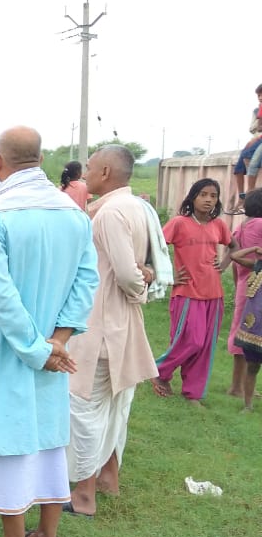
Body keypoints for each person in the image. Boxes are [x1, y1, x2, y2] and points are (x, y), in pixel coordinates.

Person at [0, 126, 97, 537]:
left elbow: (1, 296)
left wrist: (36, 349)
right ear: (40, 159)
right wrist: (59, 341)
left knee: (7, 439)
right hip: (55, 353)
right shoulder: (73, 215)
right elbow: (87, 281)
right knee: (48, 438)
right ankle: (46, 535)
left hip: (9, 350)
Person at [64, 146, 158, 518]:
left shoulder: (111, 213)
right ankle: (108, 478)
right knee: (115, 404)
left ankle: (84, 494)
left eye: (88, 166)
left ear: (105, 171)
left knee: (84, 405)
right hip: (117, 321)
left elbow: (126, 273)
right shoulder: (135, 207)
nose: (83, 171)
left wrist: (141, 283)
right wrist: (143, 279)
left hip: (102, 323)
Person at [153, 178, 232, 403]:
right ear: (193, 197)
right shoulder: (179, 223)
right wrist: (168, 275)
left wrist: (224, 264)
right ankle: (160, 371)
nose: (208, 200)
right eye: (203, 194)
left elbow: (233, 246)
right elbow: (155, 245)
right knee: (192, 340)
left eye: (213, 196)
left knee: (205, 346)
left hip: (214, 294)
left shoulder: (219, 225)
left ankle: (193, 394)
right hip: (187, 292)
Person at [226, 189, 262, 408]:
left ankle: (240, 384)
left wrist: (238, 281)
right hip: (256, 285)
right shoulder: (259, 224)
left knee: (241, 331)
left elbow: (235, 255)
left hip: (245, 283)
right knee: (249, 333)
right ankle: (238, 386)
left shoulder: (244, 225)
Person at [229, 84, 262, 210]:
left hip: (259, 139)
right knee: (239, 166)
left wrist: (257, 135)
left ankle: (250, 194)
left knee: (252, 161)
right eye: (258, 95)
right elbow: (253, 128)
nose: (260, 97)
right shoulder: (257, 110)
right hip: (256, 138)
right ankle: (242, 196)